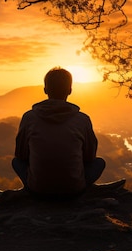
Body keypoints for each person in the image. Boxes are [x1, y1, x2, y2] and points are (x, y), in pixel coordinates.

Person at [12, 67, 106, 199]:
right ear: (70, 90)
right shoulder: (83, 119)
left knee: (16, 162)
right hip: (74, 190)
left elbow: (21, 155)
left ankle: (33, 187)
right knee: (99, 163)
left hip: (38, 189)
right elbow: (90, 157)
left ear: (45, 90)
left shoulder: (29, 118)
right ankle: (81, 187)